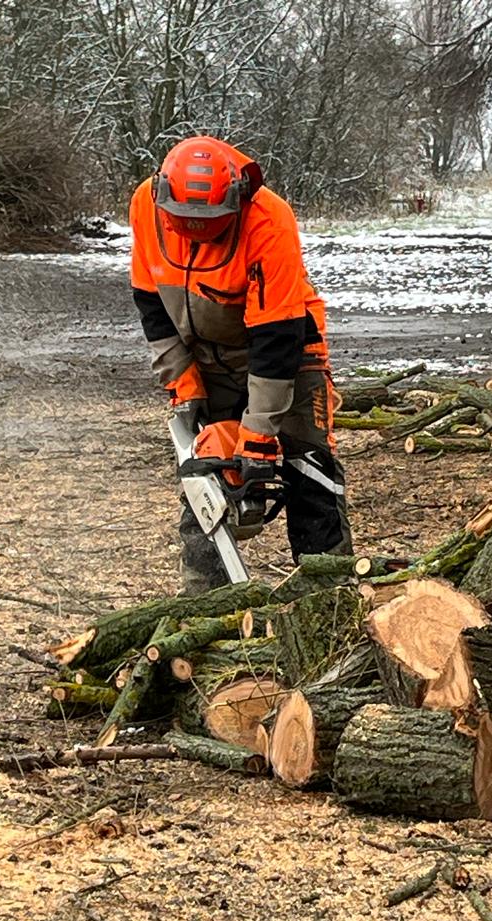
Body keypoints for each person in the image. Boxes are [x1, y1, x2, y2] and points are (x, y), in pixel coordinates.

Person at [129, 135, 353, 591]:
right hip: (204, 351)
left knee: (308, 463)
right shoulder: (144, 208)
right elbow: (152, 305)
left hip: (287, 348)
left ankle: (329, 591)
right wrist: (184, 385)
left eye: (208, 222)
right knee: (204, 468)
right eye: (185, 220)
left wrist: (258, 435)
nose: (196, 230)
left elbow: (277, 339)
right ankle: (204, 595)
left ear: (235, 200)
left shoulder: (269, 219)